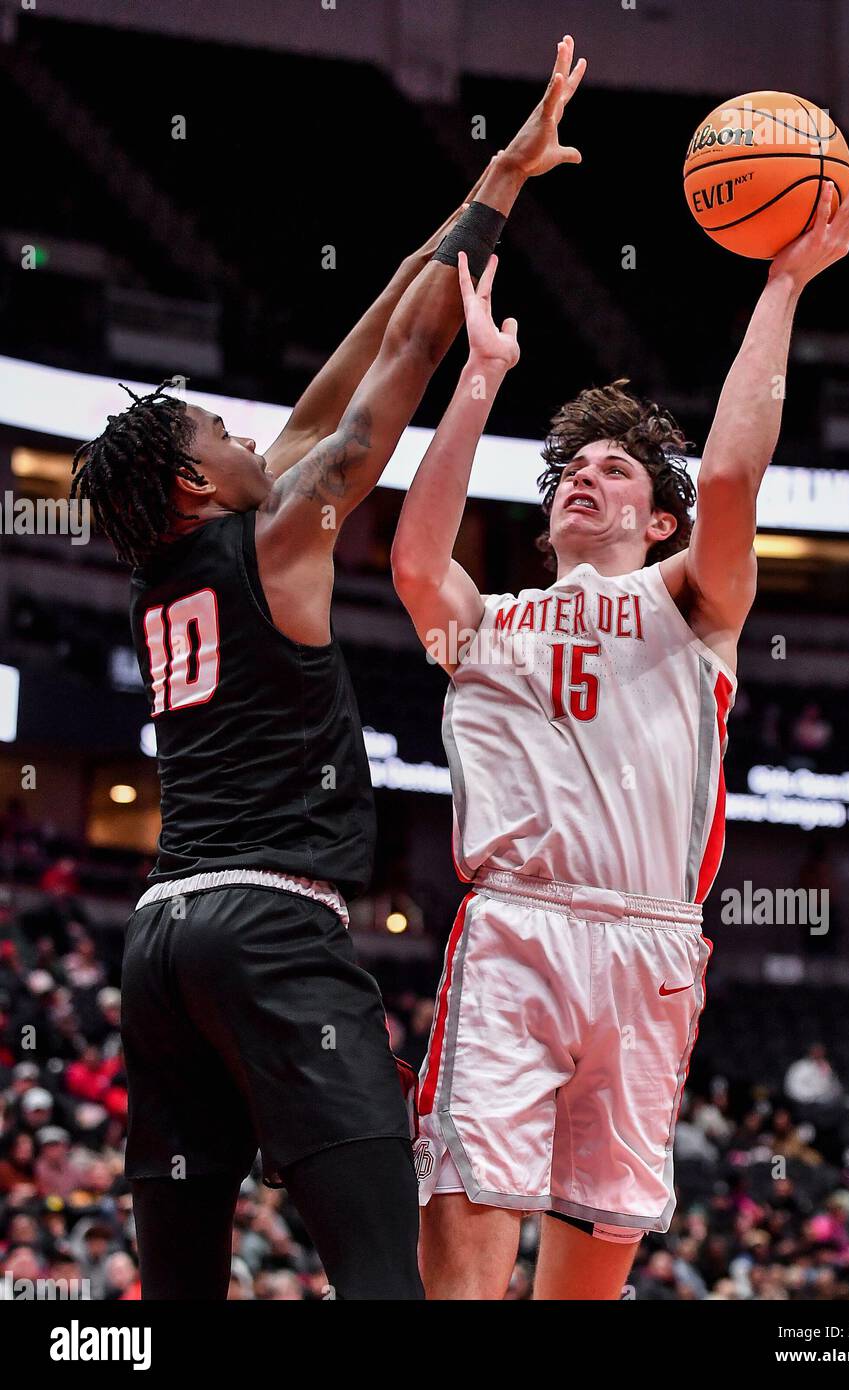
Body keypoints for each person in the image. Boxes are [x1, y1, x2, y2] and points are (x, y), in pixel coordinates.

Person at [68, 36, 587, 1301]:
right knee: (379, 1271)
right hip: (270, 933)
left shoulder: (182, 563)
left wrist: (473, 194)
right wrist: (507, 187)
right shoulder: (284, 532)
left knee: (173, 1294)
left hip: (161, 940)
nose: (247, 427)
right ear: (198, 481)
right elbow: (400, 366)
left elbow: (363, 344)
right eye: (218, 429)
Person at [392, 172, 849, 1299]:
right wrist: (477, 382)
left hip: (655, 947)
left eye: (613, 470)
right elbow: (417, 559)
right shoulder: (486, 622)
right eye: (570, 470)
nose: (583, 478)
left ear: (657, 521)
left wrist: (785, 284)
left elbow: (730, 472)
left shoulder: (692, 603)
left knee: (586, 1282)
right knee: (461, 1254)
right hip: (515, 932)